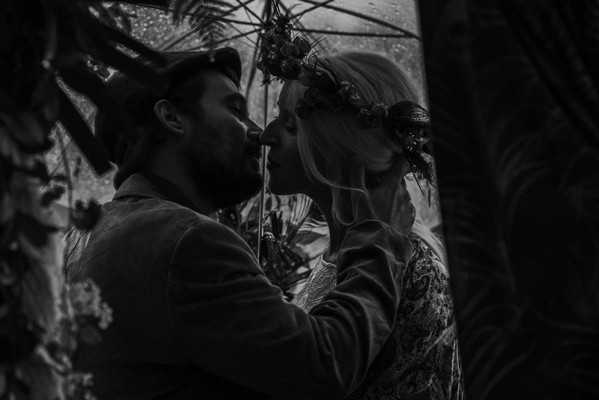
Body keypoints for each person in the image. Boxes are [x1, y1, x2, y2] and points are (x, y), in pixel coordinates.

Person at [66, 47, 413, 399]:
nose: (258, 133)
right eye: (235, 110)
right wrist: (380, 236)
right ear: (172, 118)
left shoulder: (89, 234)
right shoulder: (188, 242)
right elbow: (324, 365)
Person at [261, 51, 463, 400]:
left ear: (338, 148)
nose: (267, 135)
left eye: (290, 125)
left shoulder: (413, 270)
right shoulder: (341, 253)